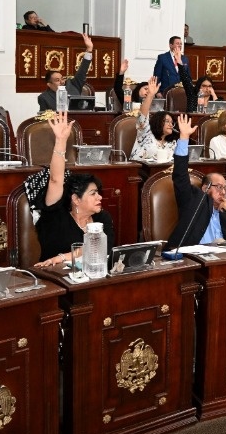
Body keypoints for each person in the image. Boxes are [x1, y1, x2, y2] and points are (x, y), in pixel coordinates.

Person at [34, 111, 115, 265]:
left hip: (91, 276)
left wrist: (63, 257)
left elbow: (104, 250)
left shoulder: (102, 218)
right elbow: (55, 180)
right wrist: (61, 141)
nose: (100, 198)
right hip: (56, 276)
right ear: (76, 199)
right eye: (93, 194)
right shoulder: (56, 216)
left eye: (98, 193)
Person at [164, 115, 226, 249]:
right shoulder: (194, 200)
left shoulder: (225, 210)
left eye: (225, 188)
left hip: (220, 257)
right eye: (218, 187)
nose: (223, 192)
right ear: (205, 188)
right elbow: (180, 176)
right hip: (193, 257)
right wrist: (183, 138)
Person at [38, 32, 93, 111]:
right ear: (49, 84)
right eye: (57, 80)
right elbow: (44, 118)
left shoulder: (73, 84)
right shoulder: (44, 98)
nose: (62, 81)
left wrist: (89, 50)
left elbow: (82, 70)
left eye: (62, 78)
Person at [130, 77, 177, 161]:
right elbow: (142, 117)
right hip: (141, 170)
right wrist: (150, 95)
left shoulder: (172, 143)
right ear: (158, 122)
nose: (171, 125)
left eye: (172, 122)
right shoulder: (146, 134)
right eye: (167, 121)